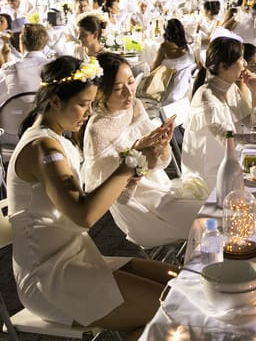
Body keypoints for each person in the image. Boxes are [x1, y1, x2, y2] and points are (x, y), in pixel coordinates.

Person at [8, 55, 175, 341]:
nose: (88, 112)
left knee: (181, 285)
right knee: (173, 310)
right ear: (55, 102)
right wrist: (129, 165)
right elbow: (83, 215)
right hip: (49, 276)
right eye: (83, 104)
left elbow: (90, 200)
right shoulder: (42, 147)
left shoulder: (58, 139)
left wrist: (137, 161)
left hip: (78, 258)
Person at [81, 52, 203, 249]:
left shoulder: (135, 106)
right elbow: (118, 198)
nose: (129, 93)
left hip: (162, 189)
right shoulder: (97, 131)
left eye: (131, 82)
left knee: (220, 209)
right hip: (140, 210)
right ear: (100, 92)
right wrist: (138, 154)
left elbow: (160, 164)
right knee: (212, 217)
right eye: (118, 88)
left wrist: (161, 146)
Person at [181, 33, 256, 184]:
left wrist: (254, 91)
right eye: (240, 59)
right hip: (210, 177)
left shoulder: (231, 88)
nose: (245, 64)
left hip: (231, 164)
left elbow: (254, 125)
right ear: (223, 66)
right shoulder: (206, 96)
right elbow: (227, 140)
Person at [0, 23, 51, 120]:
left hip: (14, 124)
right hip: (48, 121)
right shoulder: (56, 67)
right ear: (45, 44)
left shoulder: (10, 68)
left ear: (21, 43)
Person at [150, 17, 198, 106]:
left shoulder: (164, 48)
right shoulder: (189, 48)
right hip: (185, 89)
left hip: (166, 88)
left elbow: (153, 69)